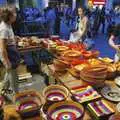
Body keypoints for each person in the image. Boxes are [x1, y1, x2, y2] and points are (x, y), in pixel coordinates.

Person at [0, 7, 20, 97]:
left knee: (9, 73)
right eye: (14, 13)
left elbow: (8, 39)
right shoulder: (4, 28)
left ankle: (2, 91)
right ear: (9, 16)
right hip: (7, 55)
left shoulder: (8, 24)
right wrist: (7, 61)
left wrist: (14, 38)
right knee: (14, 76)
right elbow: (2, 48)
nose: (16, 15)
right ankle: (17, 96)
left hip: (10, 53)